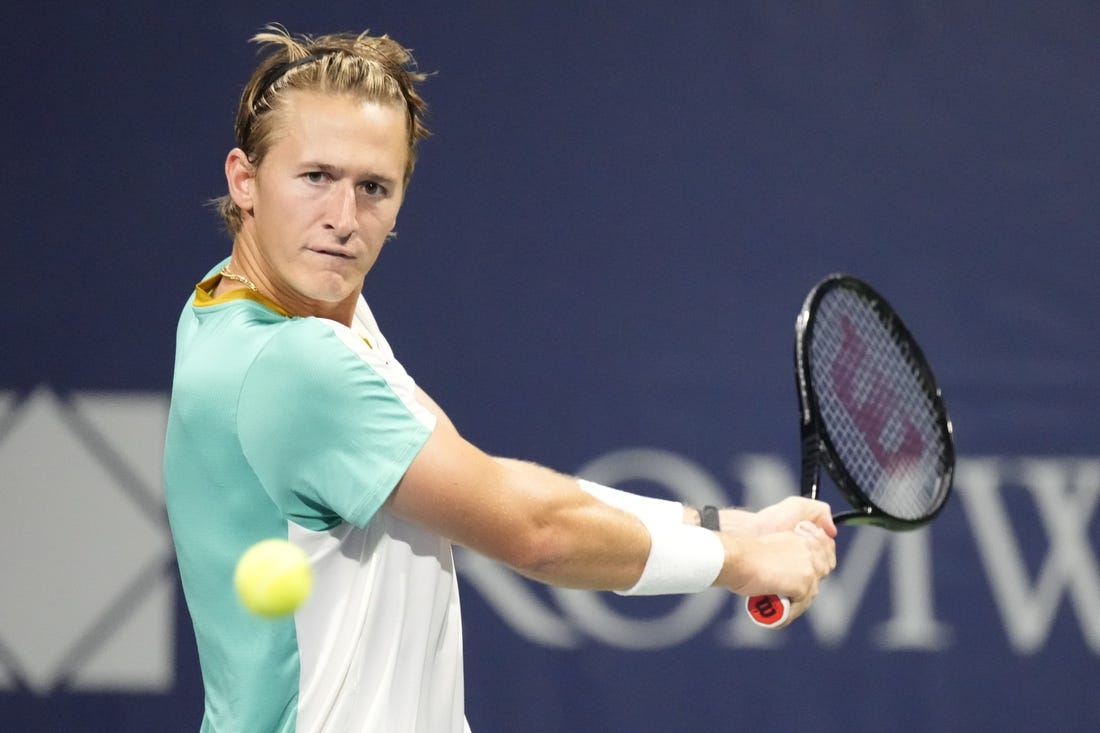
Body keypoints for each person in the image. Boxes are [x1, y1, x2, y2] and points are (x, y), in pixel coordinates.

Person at [163, 25, 837, 733]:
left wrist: (726, 523)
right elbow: (533, 531)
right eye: (315, 178)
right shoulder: (297, 363)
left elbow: (491, 481)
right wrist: (737, 561)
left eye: (373, 188)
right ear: (244, 179)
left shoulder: (244, 302)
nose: (342, 218)